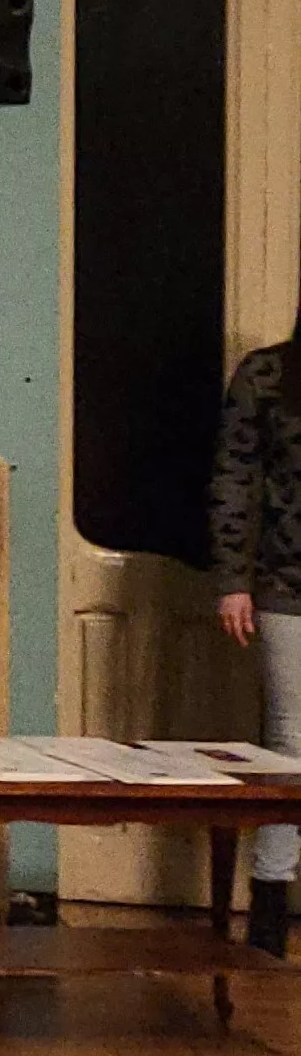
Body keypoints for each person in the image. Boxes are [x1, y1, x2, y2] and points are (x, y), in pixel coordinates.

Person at [211, 304, 301, 957]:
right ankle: (270, 899)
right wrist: (232, 577)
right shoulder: (267, 374)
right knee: (291, 741)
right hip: (284, 582)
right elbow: (234, 478)